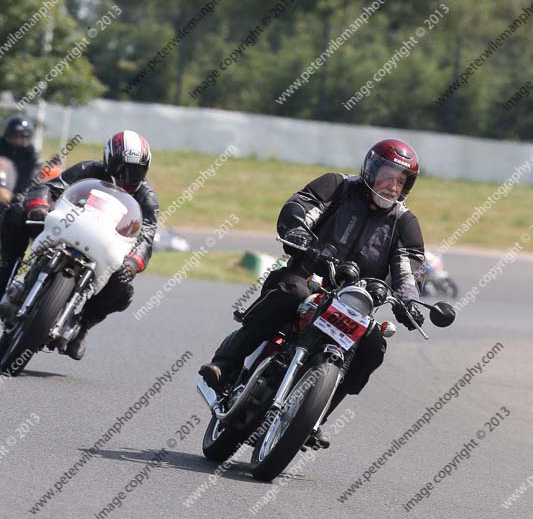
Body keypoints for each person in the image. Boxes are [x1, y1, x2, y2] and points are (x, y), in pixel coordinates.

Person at [199, 138, 426, 448]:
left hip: (355, 302)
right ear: (371, 170)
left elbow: (409, 267)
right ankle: (226, 364)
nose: (393, 185)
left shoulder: (404, 222)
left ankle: (316, 417)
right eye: (388, 175)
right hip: (310, 277)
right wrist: (299, 233)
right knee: (290, 293)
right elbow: (300, 206)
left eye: (402, 180)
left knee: (373, 346)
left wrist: (409, 301)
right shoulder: (338, 187)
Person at [0, 130, 159, 360]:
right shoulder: (87, 170)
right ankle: (4, 274)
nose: (127, 176)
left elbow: (147, 236)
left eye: (135, 170)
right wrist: (39, 206)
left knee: (123, 289)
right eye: (121, 167)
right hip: (65, 228)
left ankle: (81, 329)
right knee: (17, 212)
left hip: (106, 248)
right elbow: (48, 187)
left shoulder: (147, 196)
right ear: (108, 159)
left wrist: (133, 262)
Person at [0, 116, 42, 194]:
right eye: (14, 136)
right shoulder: (1, 148)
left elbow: (33, 179)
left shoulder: (32, 155)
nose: (18, 140)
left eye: (22, 137)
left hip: (20, 197)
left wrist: (21, 197)